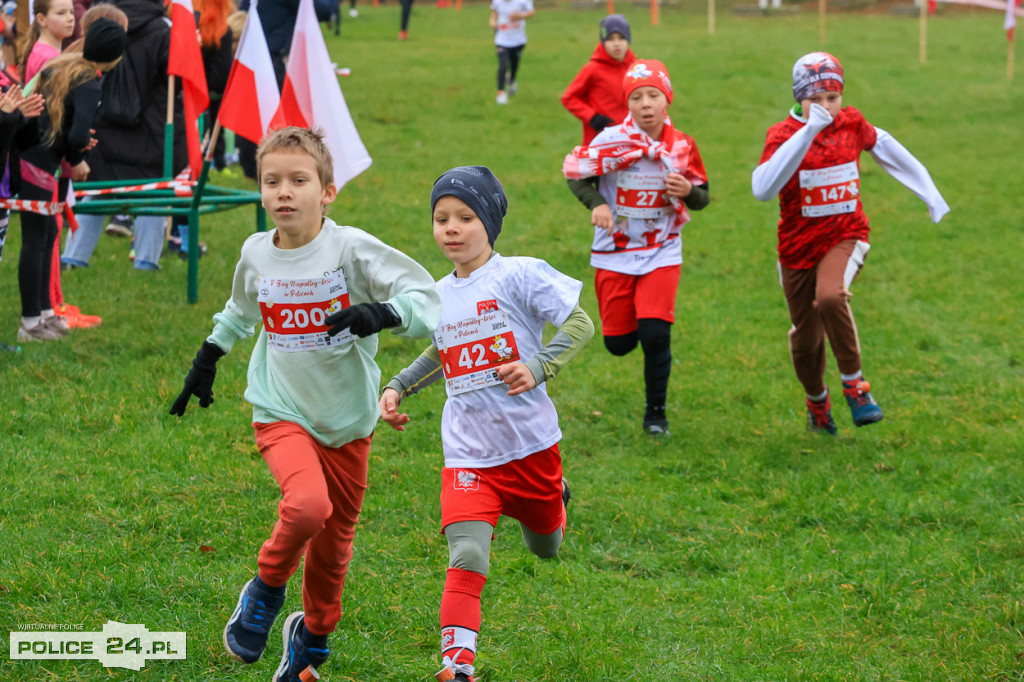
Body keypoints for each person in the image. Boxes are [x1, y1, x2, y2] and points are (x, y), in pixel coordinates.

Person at [168, 127, 441, 682]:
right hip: (281, 409)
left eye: (298, 180)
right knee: (307, 508)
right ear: (260, 190)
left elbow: (428, 298)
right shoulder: (256, 252)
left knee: (335, 546)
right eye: (272, 182)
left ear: (328, 191)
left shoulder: (350, 249)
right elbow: (242, 309)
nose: (284, 193)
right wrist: (209, 354)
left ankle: (311, 638)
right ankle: (265, 591)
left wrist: (381, 314)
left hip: (349, 421)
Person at [379, 166, 593, 682]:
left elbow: (581, 323)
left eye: (465, 217)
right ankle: (458, 666)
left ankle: (555, 499)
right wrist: (399, 385)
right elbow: (441, 349)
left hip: (532, 447)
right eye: (441, 218)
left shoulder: (519, 275)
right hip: (469, 453)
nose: (451, 228)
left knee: (546, 547)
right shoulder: (437, 295)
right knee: (469, 553)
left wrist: (539, 366)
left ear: (490, 224)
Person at [751, 52, 949, 435]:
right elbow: (762, 188)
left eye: (833, 97)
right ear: (798, 98)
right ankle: (817, 403)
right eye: (815, 99)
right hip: (796, 247)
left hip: (846, 234)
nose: (825, 107)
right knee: (805, 338)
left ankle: (856, 386)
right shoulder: (782, 135)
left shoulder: (851, 123)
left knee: (830, 296)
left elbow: (888, 148)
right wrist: (807, 131)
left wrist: (931, 195)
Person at [563, 59, 709, 436]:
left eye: (653, 95)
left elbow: (703, 197)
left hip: (663, 249)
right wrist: (596, 203)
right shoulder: (611, 140)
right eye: (637, 97)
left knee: (656, 333)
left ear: (667, 101)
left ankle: (655, 414)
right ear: (627, 103)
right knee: (618, 343)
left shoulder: (682, 146)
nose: (646, 104)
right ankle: (625, 340)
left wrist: (688, 192)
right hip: (614, 252)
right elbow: (577, 175)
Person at [15, 18, 126, 342]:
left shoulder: (65, 64)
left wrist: (73, 146)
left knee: (48, 233)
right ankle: (30, 323)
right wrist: (77, 159)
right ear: (115, 55)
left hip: (33, 156)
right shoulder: (89, 80)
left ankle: (45, 314)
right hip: (39, 163)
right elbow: (75, 133)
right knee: (36, 240)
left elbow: (57, 121)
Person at [60, 0, 189, 272]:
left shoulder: (101, 19)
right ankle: (145, 262)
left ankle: (73, 257)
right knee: (154, 197)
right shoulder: (164, 30)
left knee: (97, 193)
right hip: (152, 131)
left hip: (102, 125)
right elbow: (177, 80)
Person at [560, 13, 636, 146]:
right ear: (603, 41)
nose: (617, 44)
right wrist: (592, 117)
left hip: (630, 139)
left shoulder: (636, 68)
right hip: (600, 142)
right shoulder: (593, 69)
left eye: (621, 38)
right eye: (611, 39)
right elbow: (569, 98)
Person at [19, 0, 76, 84]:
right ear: (41, 19)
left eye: (71, 12)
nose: (71, 18)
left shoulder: (41, 50)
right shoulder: (49, 58)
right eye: (61, 13)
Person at [488, 0, 532, 104]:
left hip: (518, 40)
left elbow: (531, 13)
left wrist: (520, 16)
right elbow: (495, 14)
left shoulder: (523, 1)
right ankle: (501, 93)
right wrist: (492, 22)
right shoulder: (497, 2)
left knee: (514, 65)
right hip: (502, 39)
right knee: (503, 66)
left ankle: (512, 80)